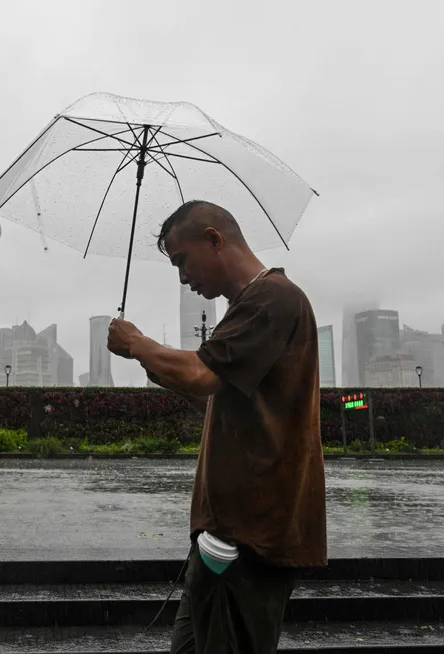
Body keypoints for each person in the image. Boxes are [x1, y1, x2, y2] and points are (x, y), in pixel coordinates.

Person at [107, 200, 326, 653]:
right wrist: (157, 364)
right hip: (228, 535)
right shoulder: (247, 304)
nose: (183, 277)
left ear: (213, 239)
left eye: (181, 260)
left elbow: (203, 375)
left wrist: (137, 344)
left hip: (250, 538)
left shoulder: (272, 298)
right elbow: (213, 389)